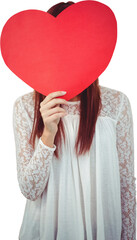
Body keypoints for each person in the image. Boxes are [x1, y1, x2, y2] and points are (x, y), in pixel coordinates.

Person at [12, 2, 136, 240]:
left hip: (102, 229)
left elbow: (126, 185)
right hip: (44, 231)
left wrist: (129, 237)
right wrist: (48, 133)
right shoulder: (25, 107)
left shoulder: (117, 103)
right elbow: (29, 189)